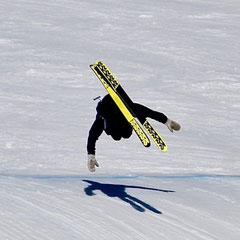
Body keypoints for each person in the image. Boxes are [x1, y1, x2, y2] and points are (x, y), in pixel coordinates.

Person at [87, 94, 181, 172]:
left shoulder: (126, 109)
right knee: (119, 136)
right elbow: (92, 135)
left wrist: (167, 121)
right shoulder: (104, 118)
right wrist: (167, 121)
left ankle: (121, 125)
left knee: (123, 134)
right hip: (114, 117)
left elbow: (92, 135)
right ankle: (120, 125)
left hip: (117, 117)